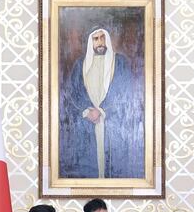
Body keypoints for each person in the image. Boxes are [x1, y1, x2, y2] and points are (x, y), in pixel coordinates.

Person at [59, 27, 144, 179]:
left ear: (108, 40)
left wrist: (103, 110)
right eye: (96, 39)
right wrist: (87, 111)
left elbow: (125, 91)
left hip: (113, 123)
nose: (100, 42)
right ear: (91, 42)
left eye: (102, 38)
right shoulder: (80, 65)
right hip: (87, 123)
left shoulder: (120, 63)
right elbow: (73, 92)